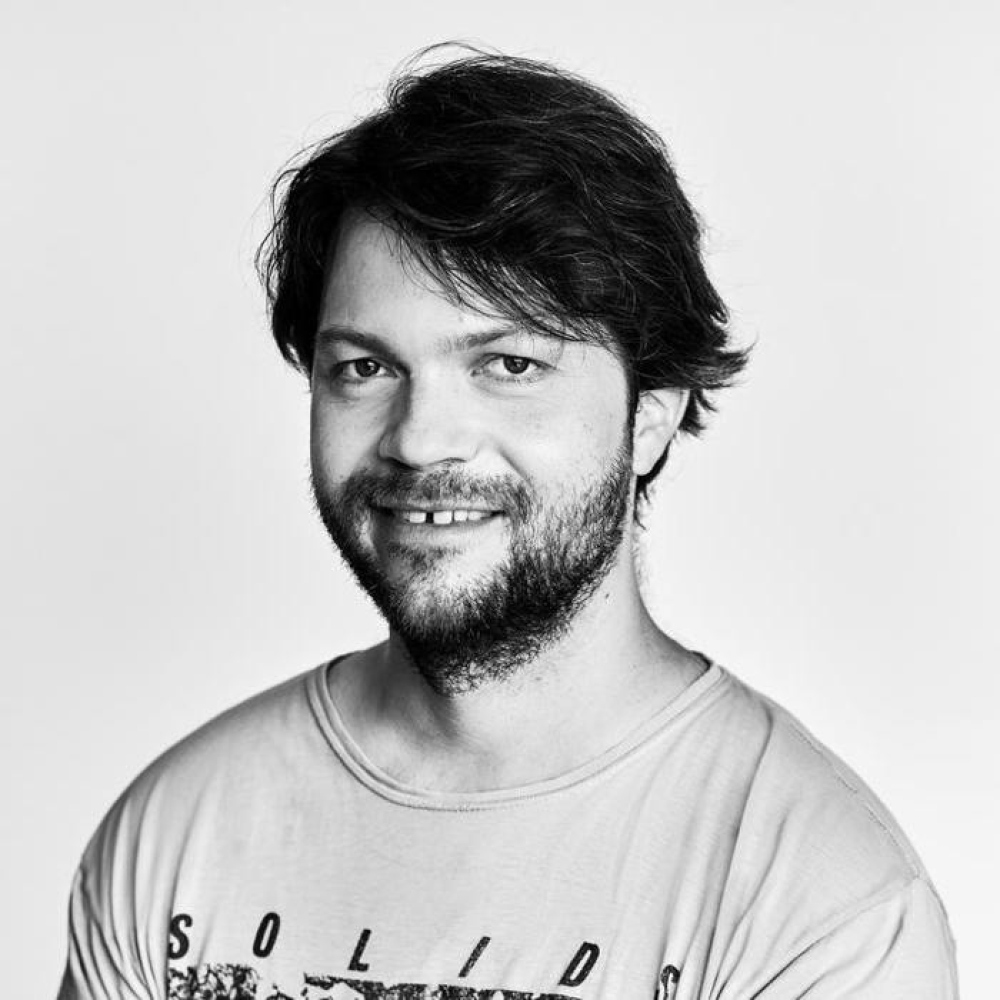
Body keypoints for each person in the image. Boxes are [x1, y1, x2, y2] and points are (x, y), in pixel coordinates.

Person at [57, 49, 959, 1000]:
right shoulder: (174, 834)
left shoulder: (821, 906)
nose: (419, 439)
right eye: (366, 368)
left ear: (651, 415)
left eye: (509, 365)